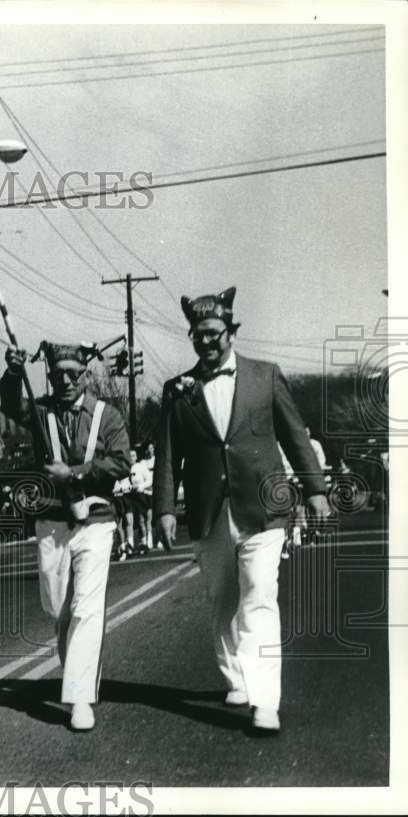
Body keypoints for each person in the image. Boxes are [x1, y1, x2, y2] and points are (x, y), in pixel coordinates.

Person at [154, 286, 329, 734]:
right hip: (209, 511)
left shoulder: (265, 376)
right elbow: (168, 456)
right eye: (198, 335)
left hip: (265, 508)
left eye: (214, 333)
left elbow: (294, 435)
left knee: (259, 598)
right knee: (221, 599)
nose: (206, 343)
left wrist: (315, 490)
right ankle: (234, 675)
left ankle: (265, 702)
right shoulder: (179, 390)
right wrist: (163, 509)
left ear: (231, 332)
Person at [0, 340, 131, 731]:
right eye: (58, 375)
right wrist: (12, 372)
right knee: (58, 608)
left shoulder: (107, 415)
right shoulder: (40, 411)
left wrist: (76, 473)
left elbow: (122, 461)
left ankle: (79, 697)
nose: (66, 381)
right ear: (50, 377)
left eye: (74, 374)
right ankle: (81, 672)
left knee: (86, 609)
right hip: (52, 522)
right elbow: (11, 405)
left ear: (85, 376)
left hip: (96, 521)